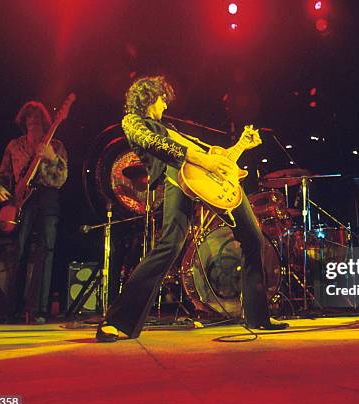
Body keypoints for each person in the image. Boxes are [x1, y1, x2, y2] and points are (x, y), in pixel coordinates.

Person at [96, 75, 288, 342]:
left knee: (253, 238)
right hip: (178, 176)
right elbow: (159, 146)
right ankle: (117, 320)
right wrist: (204, 161)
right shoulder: (133, 121)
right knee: (171, 244)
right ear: (148, 97)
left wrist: (242, 145)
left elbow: (215, 158)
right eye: (162, 99)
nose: (164, 106)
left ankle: (258, 317)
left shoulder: (172, 126)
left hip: (212, 178)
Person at [0, 101, 68, 323]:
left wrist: (52, 158)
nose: (32, 125)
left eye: (36, 121)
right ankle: (13, 310)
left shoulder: (56, 144)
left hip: (47, 196)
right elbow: (2, 175)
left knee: (46, 250)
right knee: (19, 251)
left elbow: (62, 179)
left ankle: (40, 310)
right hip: (21, 201)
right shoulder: (14, 146)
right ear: (23, 122)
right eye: (29, 121)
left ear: (45, 123)